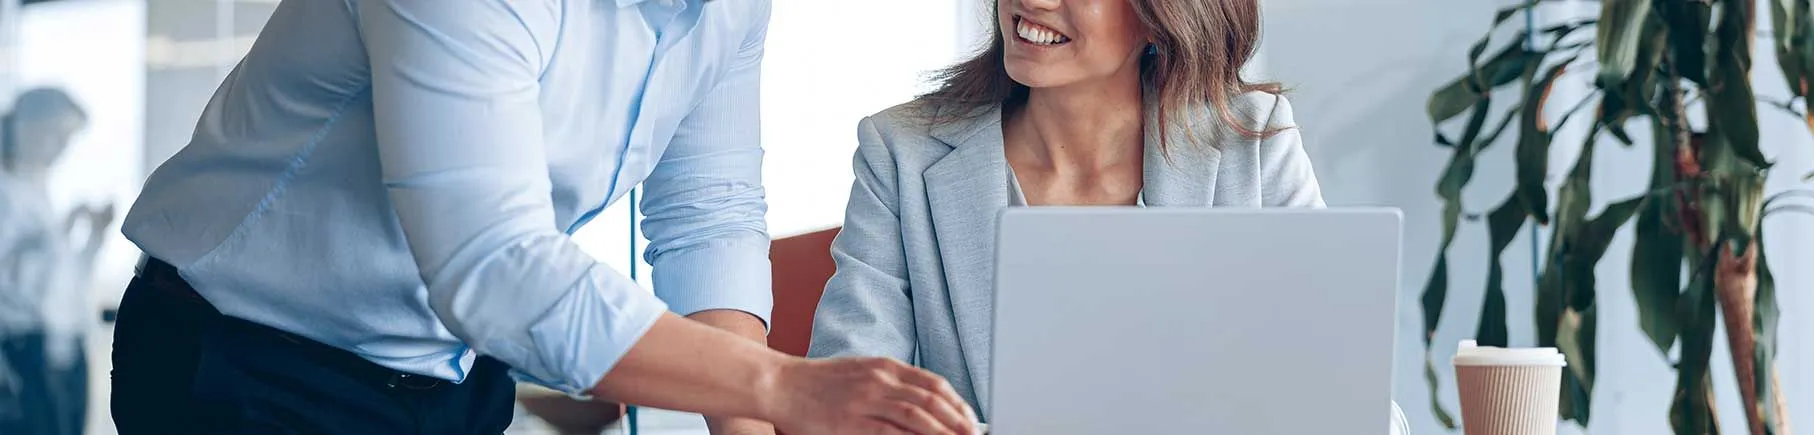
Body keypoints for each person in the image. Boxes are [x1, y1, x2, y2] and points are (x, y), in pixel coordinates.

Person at [112, 1, 976, 435]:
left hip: (451, 378)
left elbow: (706, 213)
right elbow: (492, 263)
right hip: (245, 356)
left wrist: (743, 427)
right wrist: (784, 388)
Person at [807, 0, 1325, 419]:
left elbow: (1341, 387)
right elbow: (848, 403)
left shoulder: (1252, 141)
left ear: (1162, 14)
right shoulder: (901, 151)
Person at [0, 87, 111, 435]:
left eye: (68, 138)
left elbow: (64, 283)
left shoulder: (38, 191)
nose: (62, 148)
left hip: (61, 348)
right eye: (56, 135)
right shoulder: (7, 192)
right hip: (23, 351)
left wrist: (94, 238)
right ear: (28, 128)